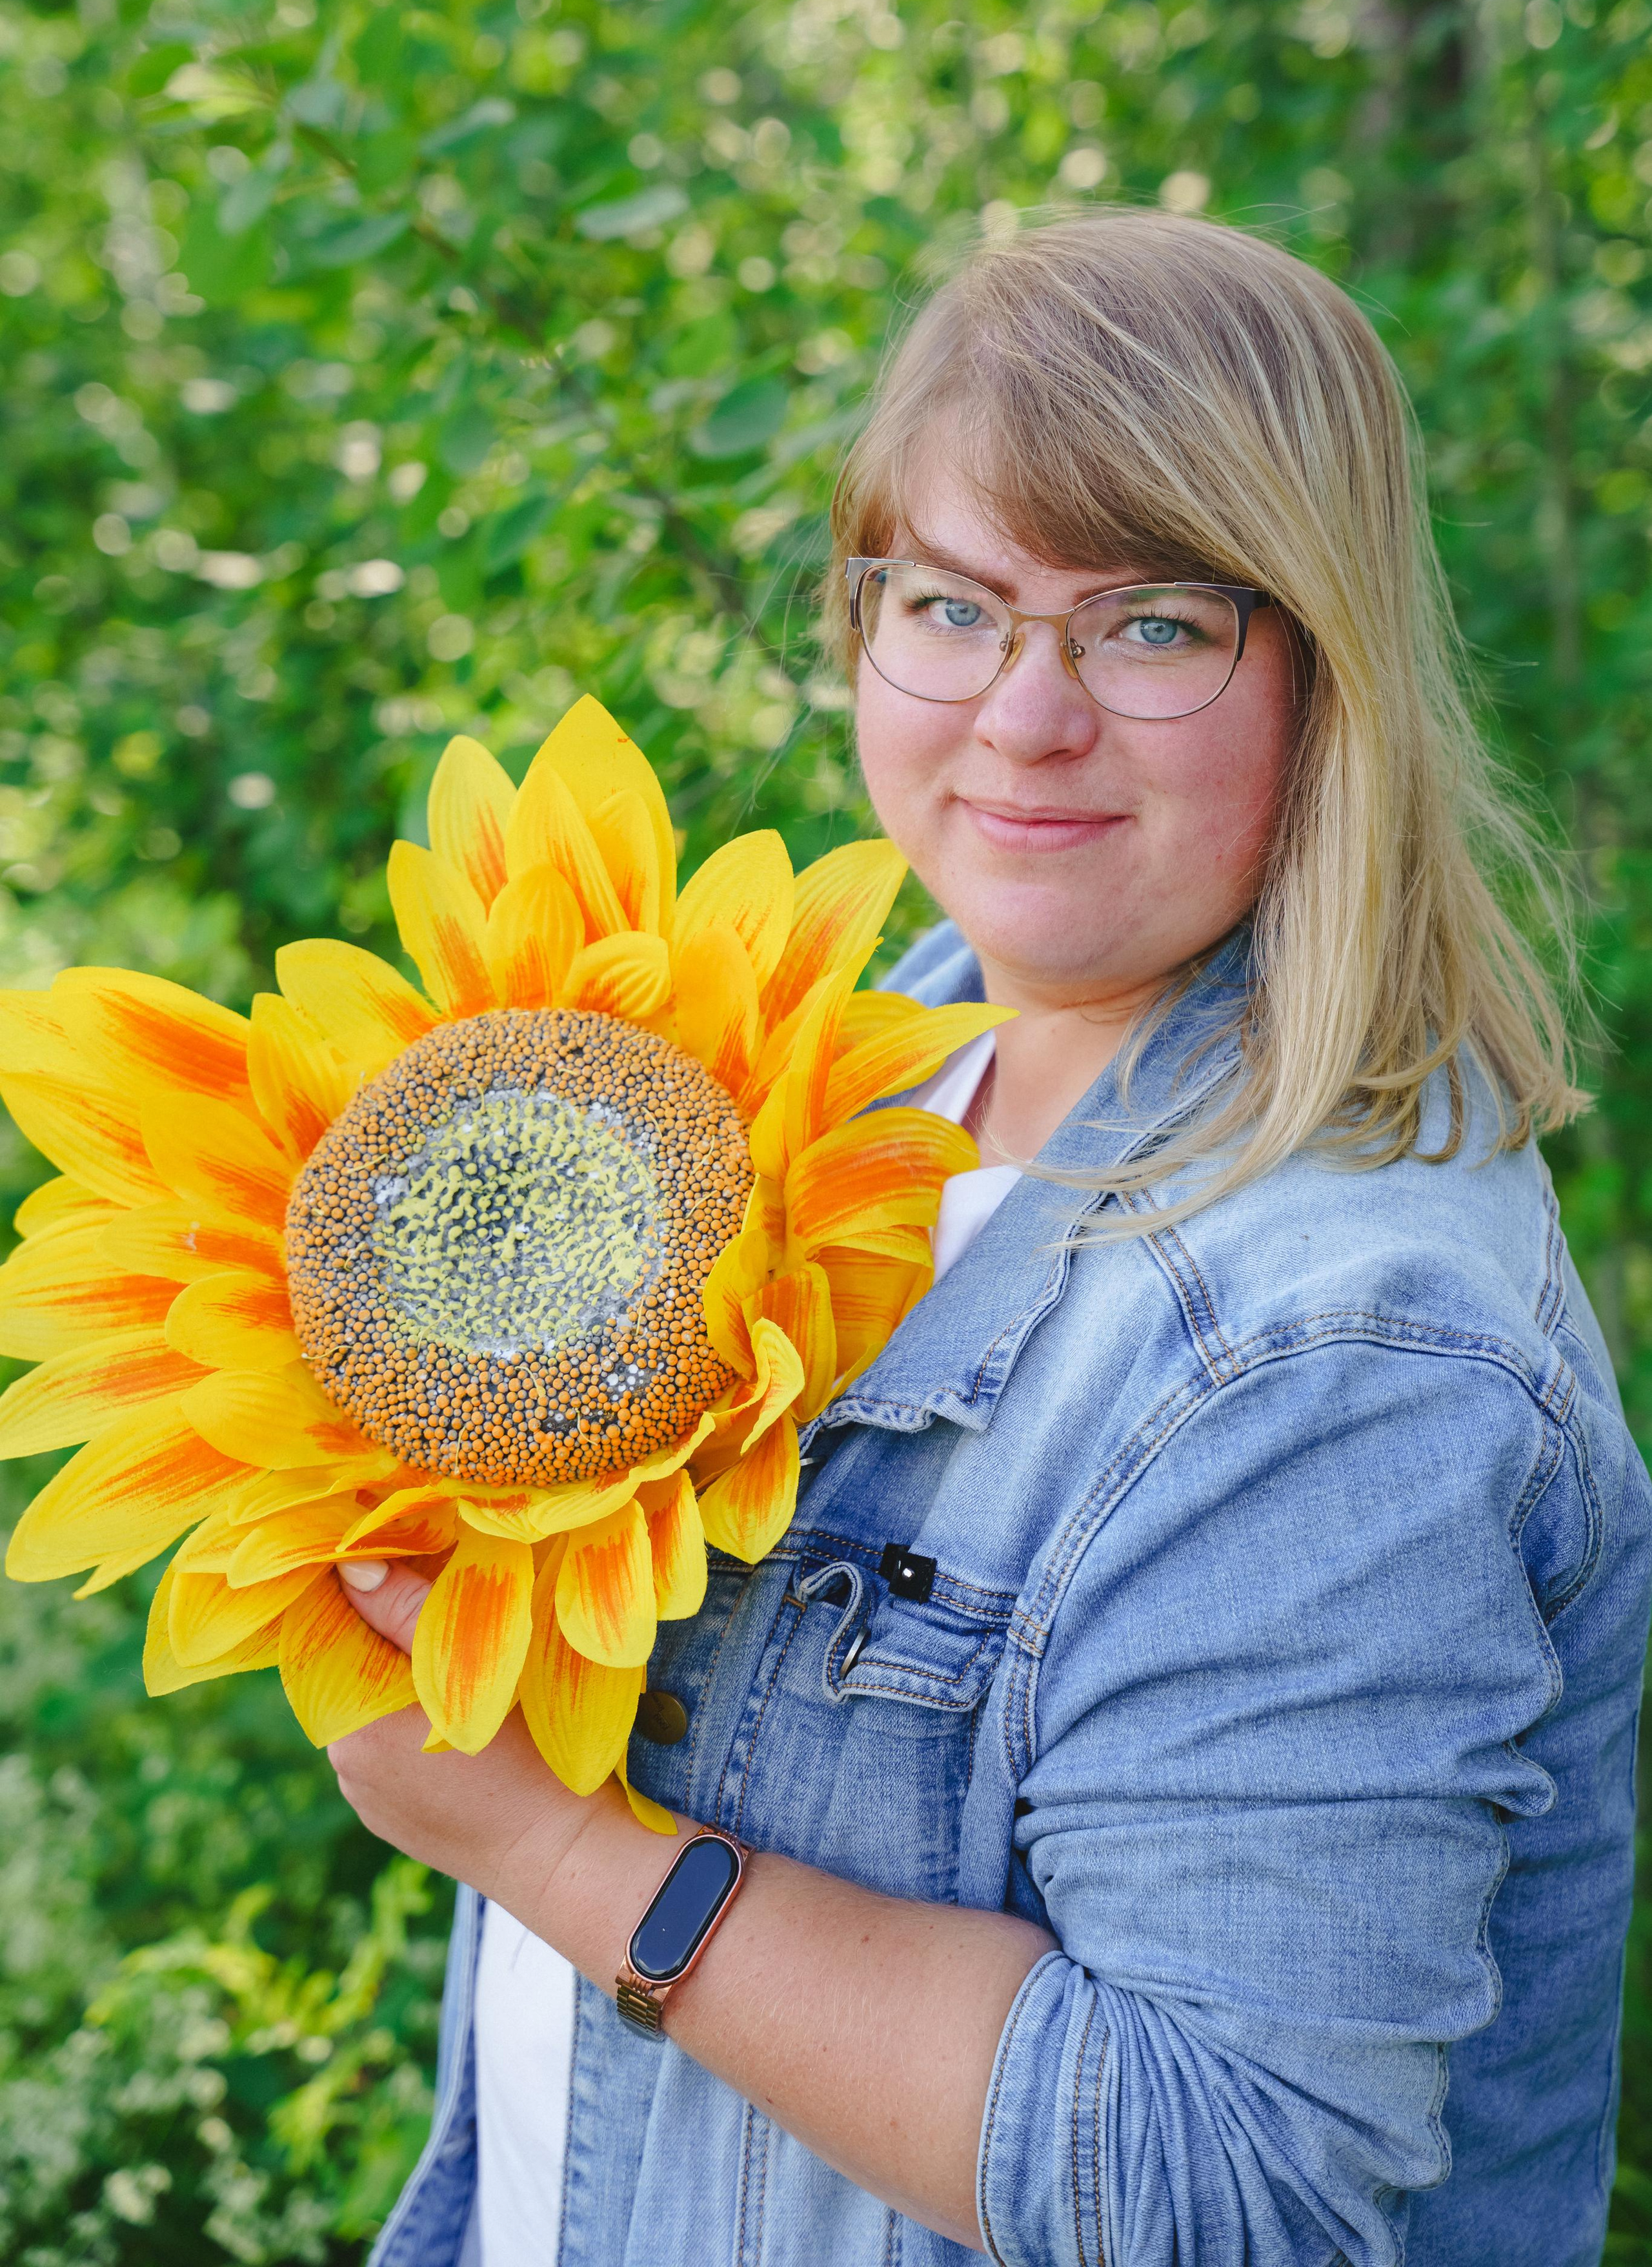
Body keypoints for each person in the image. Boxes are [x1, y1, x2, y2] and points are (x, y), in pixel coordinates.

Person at [328, 209, 1651, 2267]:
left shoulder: (1335, 1351)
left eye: (1149, 626)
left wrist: (540, 1843)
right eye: (951, 604)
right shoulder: (843, 1074)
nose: (1023, 717)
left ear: (1326, 666)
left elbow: (1231, 2186)